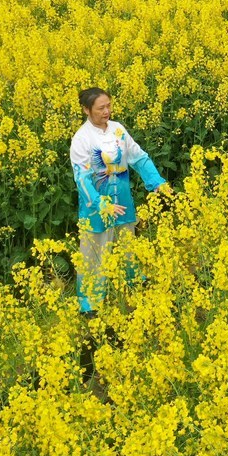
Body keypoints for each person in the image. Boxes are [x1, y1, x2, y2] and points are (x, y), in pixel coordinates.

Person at [70, 87, 170, 314]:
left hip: (122, 199)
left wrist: (157, 182)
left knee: (128, 243)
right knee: (94, 252)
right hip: (95, 207)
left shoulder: (118, 130)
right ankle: (89, 302)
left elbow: (138, 157)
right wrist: (101, 205)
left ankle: (133, 280)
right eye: (100, 108)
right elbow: (82, 178)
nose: (107, 111)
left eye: (109, 106)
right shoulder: (81, 139)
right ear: (86, 110)